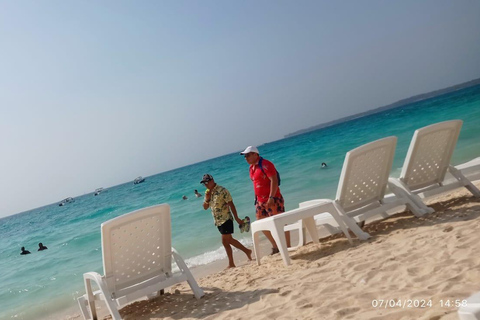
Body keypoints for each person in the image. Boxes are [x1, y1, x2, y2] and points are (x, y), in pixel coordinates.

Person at [240, 146, 290, 255]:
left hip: (273, 199)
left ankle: (288, 246)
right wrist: (257, 199)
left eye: (248, 155)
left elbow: (274, 180)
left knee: (280, 222)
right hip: (260, 201)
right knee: (261, 223)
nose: (246, 158)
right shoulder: (251, 168)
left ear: (255, 154)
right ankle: (276, 245)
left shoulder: (266, 164)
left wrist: (271, 197)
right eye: (245, 156)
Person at [200, 174, 252, 268]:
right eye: (204, 183)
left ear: (212, 180)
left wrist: (236, 218)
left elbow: (231, 204)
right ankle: (247, 251)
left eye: (207, 182)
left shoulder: (222, 190)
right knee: (230, 240)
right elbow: (205, 207)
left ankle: (231, 263)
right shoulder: (207, 192)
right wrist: (207, 198)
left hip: (226, 219)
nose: (206, 185)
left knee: (225, 242)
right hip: (218, 221)